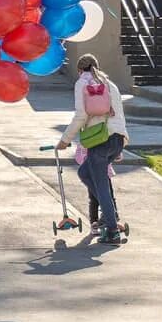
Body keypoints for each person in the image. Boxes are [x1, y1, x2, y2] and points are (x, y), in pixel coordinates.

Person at [57, 54, 129, 245]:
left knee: (100, 183)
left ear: (80, 70)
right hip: (117, 139)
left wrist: (65, 140)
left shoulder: (82, 83)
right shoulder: (110, 84)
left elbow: (81, 116)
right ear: (97, 66)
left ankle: (112, 231)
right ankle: (110, 214)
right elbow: (119, 115)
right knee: (84, 172)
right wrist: (120, 142)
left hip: (100, 140)